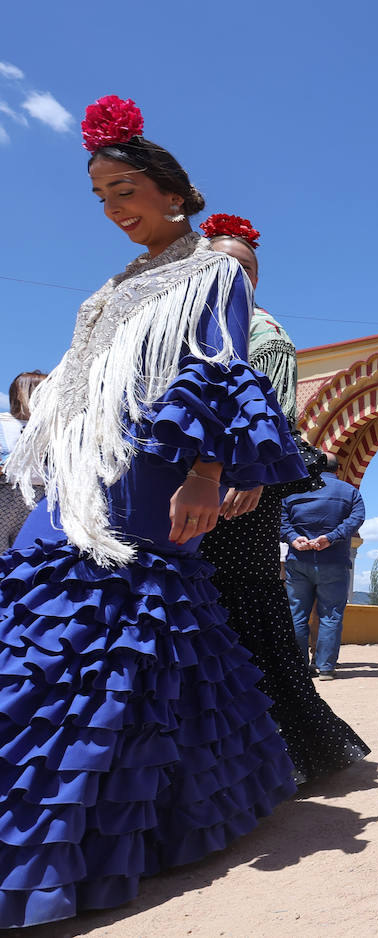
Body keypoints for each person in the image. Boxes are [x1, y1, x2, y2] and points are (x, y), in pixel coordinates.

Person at [0, 96, 304, 927]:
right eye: (101, 195)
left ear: (171, 189)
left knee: (118, 623)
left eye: (125, 188)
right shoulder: (108, 290)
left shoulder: (213, 266)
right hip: (85, 473)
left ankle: (74, 838)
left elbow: (220, 369)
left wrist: (206, 473)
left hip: (154, 474)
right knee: (53, 618)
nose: (113, 209)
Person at [201, 212, 369, 781]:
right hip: (191, 493)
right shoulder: (193, 330)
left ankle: (289, 750)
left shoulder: (265, 336)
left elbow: (269, 419)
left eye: (245, 268)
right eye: (221, 265)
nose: (233, 277)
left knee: (249, 614)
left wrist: (250, 476)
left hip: (243, 494)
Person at [281, 452, 366, 680]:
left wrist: (293, 537)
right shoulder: (350, 492)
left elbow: (280, 520)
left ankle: (299, 667)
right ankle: (326, 667)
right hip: (334, 562)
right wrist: (331, 537)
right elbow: (356, 519)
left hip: (298, 561)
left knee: (296, 614)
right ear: (337, 470)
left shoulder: (292, 491)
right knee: (331, 615)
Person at [0, 371, 46, 549]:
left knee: (29, 551)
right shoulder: (3, 422)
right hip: (6, 490)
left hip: (41, 496)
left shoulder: (51, 428)